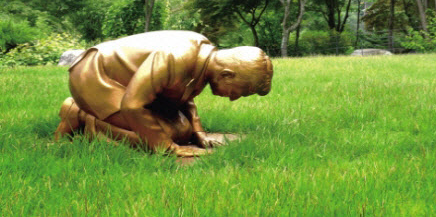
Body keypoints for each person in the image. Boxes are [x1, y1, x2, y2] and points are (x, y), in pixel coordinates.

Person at [54, 30, 273, 157]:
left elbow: (183, 96)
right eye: (241, 92)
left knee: (183, 131)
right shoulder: (176, 58)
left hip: (134, 88)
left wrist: (198, 133)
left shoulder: (204, 60)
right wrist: (168, 147)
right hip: (96, 77)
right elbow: (133, 105)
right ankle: (80, 114)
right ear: (227, 74)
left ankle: (93, 120)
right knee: (160, 137)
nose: (234, 98)